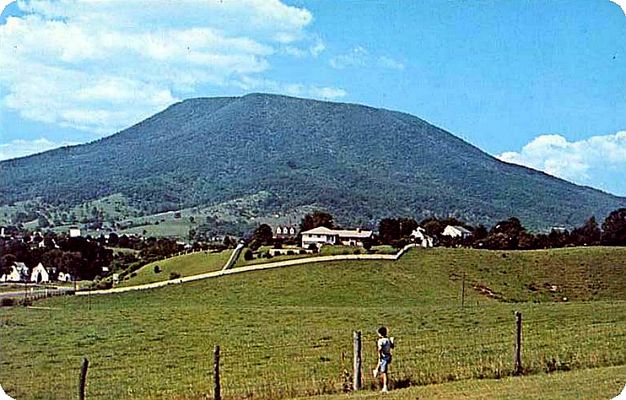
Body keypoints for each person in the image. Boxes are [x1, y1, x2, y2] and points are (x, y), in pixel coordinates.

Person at [373, 326, 394, 392]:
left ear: (380, 334)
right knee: (383, 369)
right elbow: (392, 346)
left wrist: (380, 354)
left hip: (384, 356)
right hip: (388, 356)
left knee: (384, 372)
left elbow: (380, 349)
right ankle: (376, 370)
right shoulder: (387, 340)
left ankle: (385, 387)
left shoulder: (380, 341)